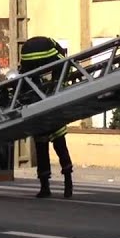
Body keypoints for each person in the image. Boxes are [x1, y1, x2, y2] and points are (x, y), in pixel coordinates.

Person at [18, 36, 74, 199]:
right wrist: (60, 85)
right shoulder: (55, 53)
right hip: (52, 113)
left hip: (40, 114)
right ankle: (67, 185)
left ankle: (45, 187)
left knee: (43, 150)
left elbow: (23, 78)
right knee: (60, 148)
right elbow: (64, 65)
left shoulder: (29, 65)